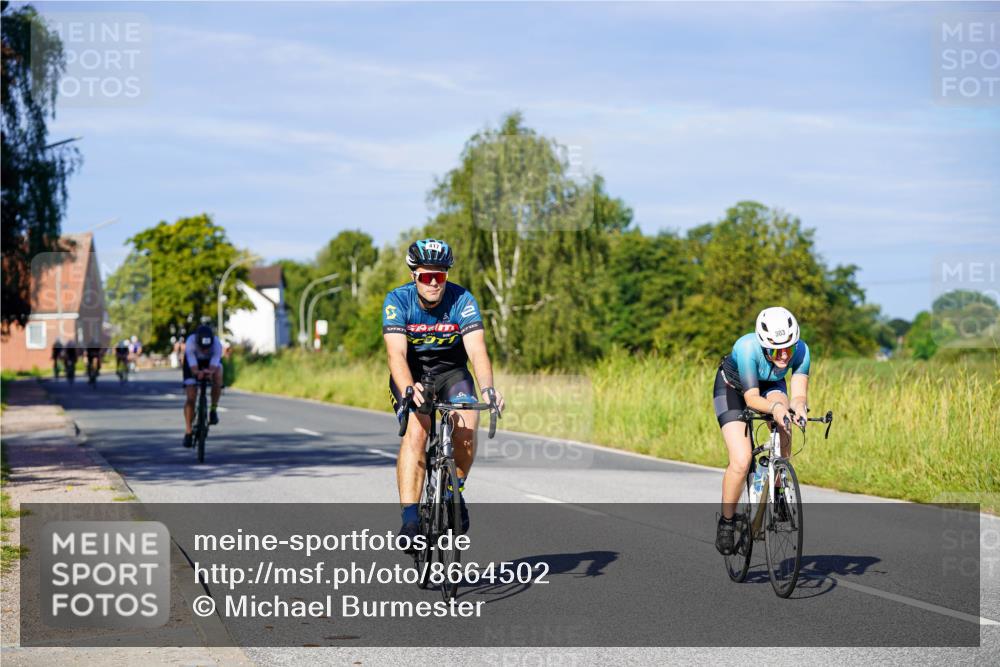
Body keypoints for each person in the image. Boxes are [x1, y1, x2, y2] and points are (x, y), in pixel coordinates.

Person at [382, 238, 504, 543]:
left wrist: (488, 389)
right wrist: (409, 387)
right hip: (414, 373)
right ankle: (410, 519)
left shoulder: (462, 300)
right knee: (418, 432)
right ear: (414, 276)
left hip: (452, 372)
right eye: (426, 276)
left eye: (441, 275)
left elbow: (477, 350)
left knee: (466, 425)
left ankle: (453, 490)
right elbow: (395, 354)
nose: (434, 282)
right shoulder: (398, 301)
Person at [713, 306, 811, 555]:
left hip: (771, 385)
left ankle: (777, 486)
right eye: (776, 349)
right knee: (742, 459)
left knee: (785, 423)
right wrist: (777, 408)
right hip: (734, 389)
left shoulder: (801, 350)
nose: (784, 356)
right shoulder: (747, 348)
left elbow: (799, 395)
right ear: (763, 343)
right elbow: (752, 398)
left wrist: (798, 409)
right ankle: (726, 521)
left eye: (788, 347)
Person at [182, 324, 223, 448]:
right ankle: (188, 431)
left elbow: (215, 362)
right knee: (191, 397)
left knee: (218, 375)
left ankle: (213, 409)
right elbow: (192, 364)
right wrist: (197, 373)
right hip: (192, 363)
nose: (205, 350)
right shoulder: (190, 342)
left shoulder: (217, 344)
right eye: (202, 348)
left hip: (209, 363)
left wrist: (210, 373)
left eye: (207, 348)